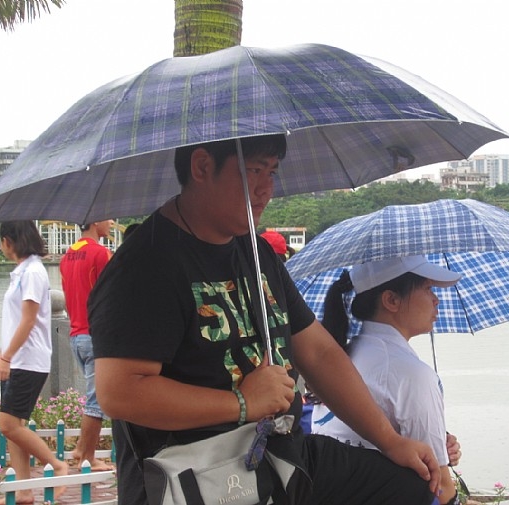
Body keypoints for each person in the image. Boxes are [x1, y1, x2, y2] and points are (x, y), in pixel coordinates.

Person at [88, 134, 443, 505]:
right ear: (202, 167)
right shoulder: (146, 266)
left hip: (279, 454)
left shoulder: (255, 251)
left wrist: (391, 441)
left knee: (409, 487)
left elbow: (318, 352)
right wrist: (241, 403)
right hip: (198, 475)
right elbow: (119, 391)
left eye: (271, 172)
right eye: (253, 171)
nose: (265, 189)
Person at [312, 255, 462, 505]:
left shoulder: (345, 356)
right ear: (391, 300)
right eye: (427, 288)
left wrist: (437, 443)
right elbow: (441, 489)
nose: (436, 299)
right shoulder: (410, 374)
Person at [0, 220, 68, 503]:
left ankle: (56, 465)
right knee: (15, 428)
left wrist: (7, 356)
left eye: (1, 241)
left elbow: (28, 320)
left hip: (28, 360)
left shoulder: (34, 271)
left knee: (8, 425)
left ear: (8, 241)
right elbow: (14, 321)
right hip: (16, 359)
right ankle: (23, 491)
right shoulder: (22, 271)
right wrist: (1, 354)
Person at [59, 220, 115, 471]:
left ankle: (81, 448)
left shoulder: (67, 256)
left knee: (96, 395)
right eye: (108, 217)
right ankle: (88, 458)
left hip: (76, 335)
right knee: (97, 401)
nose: (111, 222)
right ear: (95, 220)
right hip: (96, 336)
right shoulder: (101, 254)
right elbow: (113, 295)